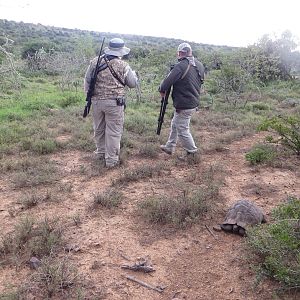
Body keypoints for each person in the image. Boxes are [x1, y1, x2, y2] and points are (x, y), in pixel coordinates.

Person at [84, 38, 138, 168]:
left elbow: (87, 80)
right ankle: (111, 160)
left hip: (96, 102)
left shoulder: (94, 62)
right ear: (121, 51)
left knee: (99, 128)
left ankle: (100, 153)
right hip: (115, 103)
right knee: (113, 131)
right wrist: (135, 76)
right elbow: (132, 84)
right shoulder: (124, 65)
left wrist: (89, 96)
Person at [159, 42, 205, 159]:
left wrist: (162, 90)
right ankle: (170, 146)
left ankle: (192, 153)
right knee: (175, 123)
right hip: (193, 101)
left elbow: (166, 82)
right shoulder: (199, 65)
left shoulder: (181, 66)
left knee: (182, 129)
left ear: (180, 53)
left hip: (184, 103)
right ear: (190, 52)